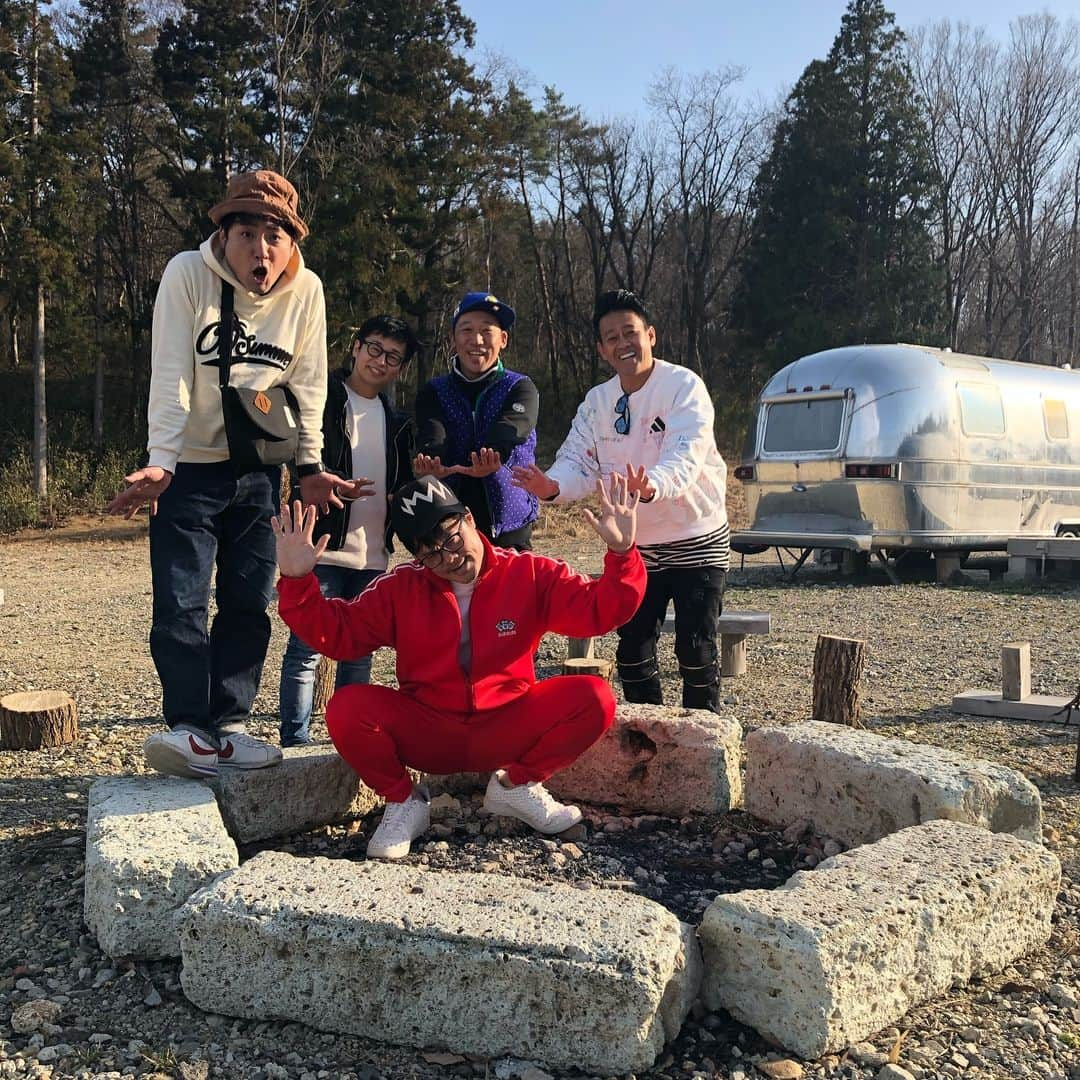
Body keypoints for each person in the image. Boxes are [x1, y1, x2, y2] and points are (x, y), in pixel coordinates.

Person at [106, 169, 361, 779]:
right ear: (224, 232)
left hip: (256, 473)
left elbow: (308, 383)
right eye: (247, 232)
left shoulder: (307, 291)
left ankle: (231, 724)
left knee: (249, 600)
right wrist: (161, 461)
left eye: (274, 236)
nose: (261, 250)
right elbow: (168, 373)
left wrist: (310, 465)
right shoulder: (187, 275)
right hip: (188, 472)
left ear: (291, 241)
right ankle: (189, 727)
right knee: (181, 603)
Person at [273, 472, 646, 860]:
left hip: (506, 725)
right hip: (430, 732)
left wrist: (622, 554)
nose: (449, 558)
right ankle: (404, 802)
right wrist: (297, 580)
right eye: (431, 554)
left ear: (469, 519)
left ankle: (516, 786)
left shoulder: (530, 573)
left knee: (594, 697)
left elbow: (599, 610)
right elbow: (339, 634)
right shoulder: (400, 588)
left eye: (452, 539)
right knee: (347, 707)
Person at [512, 289, 730, 712]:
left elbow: (687, 452)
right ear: (601, 349)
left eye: (630, 333)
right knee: (632, 648)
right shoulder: (598, 402)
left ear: (650, 335)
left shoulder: (684, 386)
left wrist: (651, 486)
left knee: (695, 648)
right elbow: (578, 460)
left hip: (696, 536)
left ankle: (704, 739)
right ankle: (647, 734)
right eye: (611, 337)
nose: (622, 344)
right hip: (634, 546)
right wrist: (551, 486)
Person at [278, 315, 417, 747]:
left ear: (400, 368)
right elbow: (294, 456)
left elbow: (402, 482)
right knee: (305, 649)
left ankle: (347, 740)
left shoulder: (399, 421)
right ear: (356, 347)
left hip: (373, 554)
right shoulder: (323, 399)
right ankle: (295, 741)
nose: (380, 361)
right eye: (374, 348)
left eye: (392, 357)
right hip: (321, 548)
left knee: (359, 653)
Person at [413, 291, 539, 549]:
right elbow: (431, 433)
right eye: (466, 330)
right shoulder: (434, 391)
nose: (476, 340)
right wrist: (430, 459)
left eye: (486, 330)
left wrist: (492, 455)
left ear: (503, 339)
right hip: (449, 524)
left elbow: (513, 427)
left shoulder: (521, 387)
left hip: (509, 525)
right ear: (453, 338)